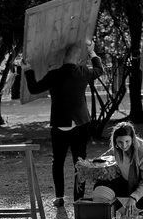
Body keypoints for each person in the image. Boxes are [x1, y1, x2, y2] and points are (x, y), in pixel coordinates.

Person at [23, 39, 104, 206]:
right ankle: (79, 198)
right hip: (80, 124)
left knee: (58, 162)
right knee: (80, 163)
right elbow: (99, 69)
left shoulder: (54, 74)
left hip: (59, 124)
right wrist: (92, 52)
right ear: (78, 58)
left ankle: (59, 197)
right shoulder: (82, 72)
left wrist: (27, 69)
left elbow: (34, 88)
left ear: (63, 58)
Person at [95, 121, 143, 218]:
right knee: (100, 185)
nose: (124, 145)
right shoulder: (116, 148)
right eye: (120, 142)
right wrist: (87, 166)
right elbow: (103, 159)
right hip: (127, 182)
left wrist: (134, 197)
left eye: (127, 141)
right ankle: (123, 211)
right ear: (115, 141)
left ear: (132, 139)